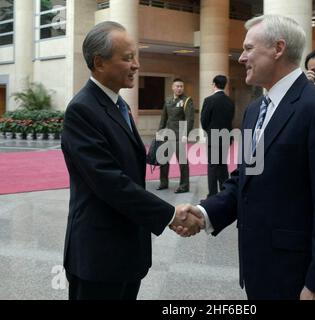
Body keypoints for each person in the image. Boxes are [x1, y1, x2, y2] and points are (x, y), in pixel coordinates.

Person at [175, 15, 315, 300]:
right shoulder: (255, 109)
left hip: (300, 278)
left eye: (249, 48)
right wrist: (205, 213)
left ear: (278, 48)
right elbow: (244, 179)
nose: (241, 58)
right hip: (259, 269)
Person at [60, 21, 203, 300]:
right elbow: (110, 182)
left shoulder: (118, 104)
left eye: (136, 56)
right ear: (99, 63)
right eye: (128, 58)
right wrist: (171, 215)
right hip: (98, 256)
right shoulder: (82, 110)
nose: (136, 64)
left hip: (128, 250)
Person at [156, 78, 195, 194]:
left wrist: (185, 134)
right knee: (163, 160)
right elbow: (164, 117)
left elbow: (190, 119)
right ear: (172, 87)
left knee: (182, 162)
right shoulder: (168, 100)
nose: (179, 88)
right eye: (177, 86)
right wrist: (159, 131)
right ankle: (163, 183)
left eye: (181, 86)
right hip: (168, 134)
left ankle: (184, 186)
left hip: (179, 135)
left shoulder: (187, 100)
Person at [201, 75, 235, 197]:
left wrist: (209, 131)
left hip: (213, 136)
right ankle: (225, 191)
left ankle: (213, 194)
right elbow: (230, 119)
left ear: (214, 84)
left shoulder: (209, 100)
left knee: (213, 166)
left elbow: (204, 121)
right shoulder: (230, 101)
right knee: (222, 164)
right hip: (226, 136)